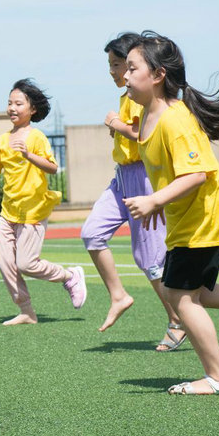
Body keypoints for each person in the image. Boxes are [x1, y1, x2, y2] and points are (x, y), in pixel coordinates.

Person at [122, 31, 219, 395]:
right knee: (189, 292)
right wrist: (161, 200)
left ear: (158, 74)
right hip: (189, 215)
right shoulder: (148, 115)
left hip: (207, 214)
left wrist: (155, 201)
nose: (125, 76)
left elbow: (196, 174)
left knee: (180, 296)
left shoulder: (175, 120)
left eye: (132, 68)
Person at [80, 33, 185, 351]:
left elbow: (142, 132)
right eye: (111, 65)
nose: (114, 71)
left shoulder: (143, 97)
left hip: (144, 178)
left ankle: (178, 321)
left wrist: (116, 124)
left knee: (150, 259)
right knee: (92, 233)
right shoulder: (127, 96)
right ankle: (119, 295)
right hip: (121, 179)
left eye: (118, 64)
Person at [0, 79, 87, 325]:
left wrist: (28, 155)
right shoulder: (2, 140)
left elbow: (52, 167)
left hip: (33, 211)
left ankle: (69, 276)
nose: (12, 108)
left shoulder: (37, 137)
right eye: (9, 103)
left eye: (18, 103)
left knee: (27, 263)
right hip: (8, 211)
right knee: (4, 262)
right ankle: (26, 311)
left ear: (32, 109)